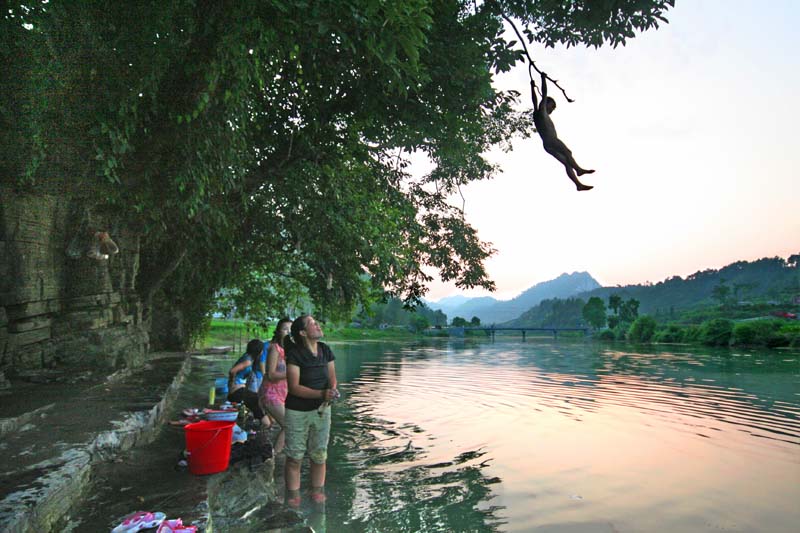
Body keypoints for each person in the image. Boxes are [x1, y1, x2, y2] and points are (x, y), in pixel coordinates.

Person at [284, 315, 338, 506]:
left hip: (322, 410)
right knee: (294, 457)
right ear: (303, 333)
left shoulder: (325, 350)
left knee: (319, 454)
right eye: (313, 323)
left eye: (317, 321)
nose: (318, 324)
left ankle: (317, 491)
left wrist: (332, 390)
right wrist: (322, 393)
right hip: (297, 411)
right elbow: (293, 387)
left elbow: (332, 377)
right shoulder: (295, 354)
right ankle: (293, 496)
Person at [531, 71, 595, 191]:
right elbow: (543, 95)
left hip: (547, 145)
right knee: (568, 152)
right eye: (552, 106)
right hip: (551, 140)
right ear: (547, 104)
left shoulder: (538, 113)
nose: (552, 109)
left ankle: (578, 184)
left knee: (566, 162)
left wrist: (532, 86)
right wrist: (543, 78)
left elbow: (534, 101)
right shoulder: (542, 112)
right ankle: (579, 169)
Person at [258, 318, 292, 454]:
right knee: (288, 425)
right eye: (285, 329)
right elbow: (270, 375)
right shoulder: (275, 349)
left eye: (291, 329)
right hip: (270, 393)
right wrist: (291, 373)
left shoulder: (290, 351)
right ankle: (273, 457)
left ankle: (269, 452)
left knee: (284, 425)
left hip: (283, 394)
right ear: (278, 332)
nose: (288, 332)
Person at [227, 338, 271, 429]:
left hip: (240, 388)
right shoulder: (247, 361)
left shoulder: (249, 357)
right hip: (236, 390)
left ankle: (258, 423)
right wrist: (232, 384)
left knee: (258, 398)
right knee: (255, 400)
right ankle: (263, 424)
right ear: (259, 351)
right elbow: (232, 371)